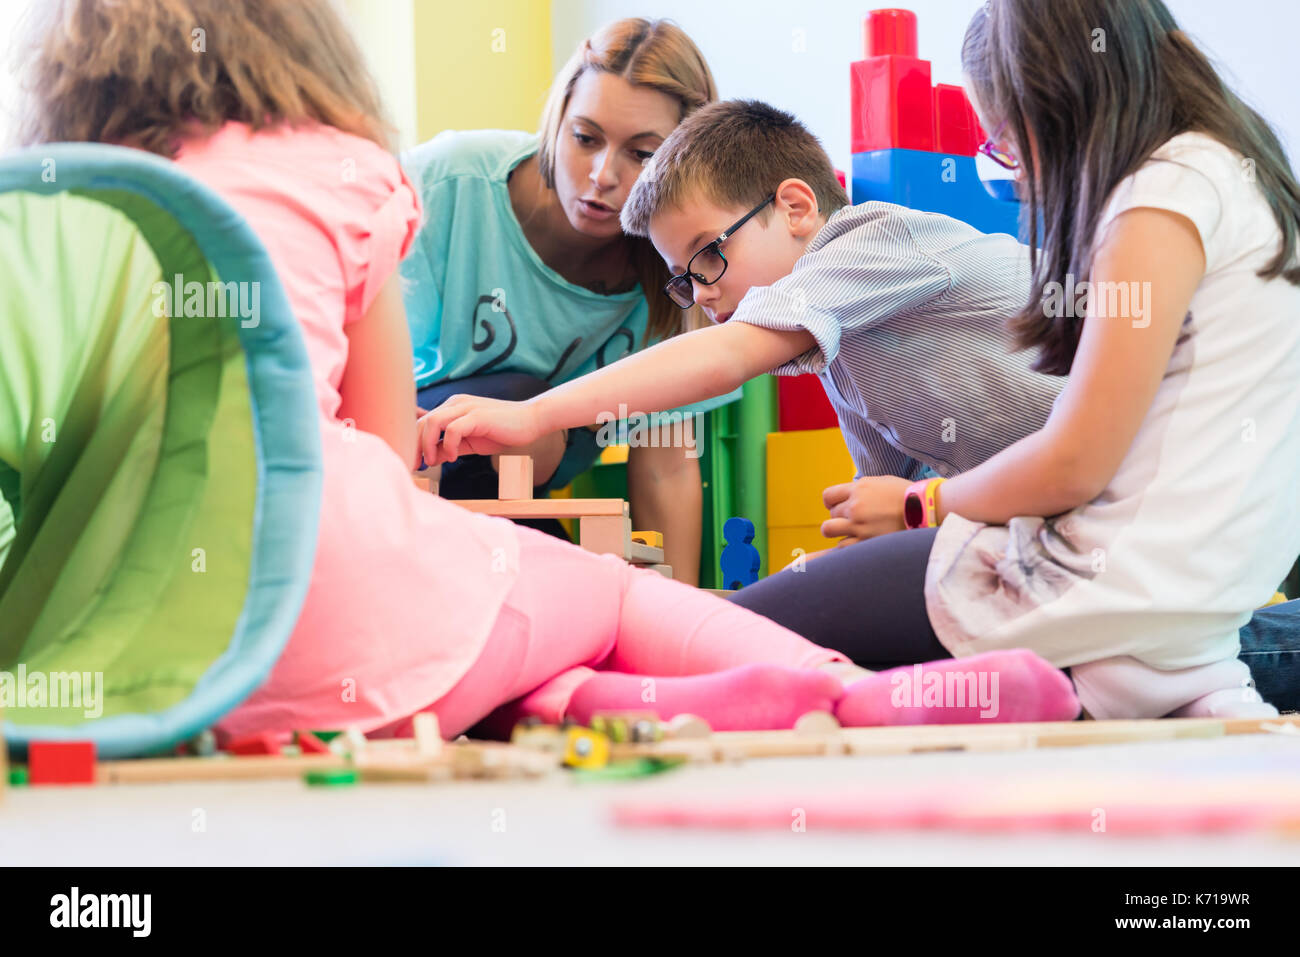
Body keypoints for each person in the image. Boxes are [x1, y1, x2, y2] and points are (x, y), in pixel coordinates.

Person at [16, 0, 1081, 739]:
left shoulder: (56, 204)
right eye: (584, 141)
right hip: (343, 565)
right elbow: (387, 450)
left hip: (107, 638)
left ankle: (647, 691)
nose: (602, 180)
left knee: (572, 606)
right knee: (597, 600)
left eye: (704, 255)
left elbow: (692, 404)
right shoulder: (391, 178)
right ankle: (830, 693)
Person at [420, 31, 1300, 720]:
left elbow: (725, 356)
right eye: (682, 279)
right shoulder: (844, 357)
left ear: (796, 208)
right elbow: (887, 507)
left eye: (709, 261)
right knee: (752, 619)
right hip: (1054, 538)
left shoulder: (870, 240)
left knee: (737, 624)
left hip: (1114, 535)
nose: (703, 298)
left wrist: (537, 416)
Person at [400, 18, 740, 582]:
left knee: (578, 584)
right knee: (522, 410)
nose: (603, 175)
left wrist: (678, 618)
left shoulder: (688, 275)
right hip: (399, 462)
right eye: (585, 138)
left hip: (518, 505)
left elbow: (665, 469)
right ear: (557, 122)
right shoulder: (445, 185)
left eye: (642, 154)